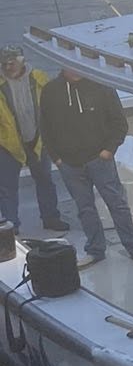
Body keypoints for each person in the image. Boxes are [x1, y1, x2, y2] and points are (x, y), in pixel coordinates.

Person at [40, 65, 133, 266]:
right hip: (69, 164)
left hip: (100, 160)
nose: (74, 68)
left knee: (117, 204)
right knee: (85, 209)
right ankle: (95, 250)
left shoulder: (103, 86)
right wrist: (56, 157)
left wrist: (108, 151)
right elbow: (45, 127)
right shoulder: (50, 91)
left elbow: (119, 123)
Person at [0, 46, 69, 234]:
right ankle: (11, 227)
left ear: (22, 60)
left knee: (45, 180)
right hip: (8, 145)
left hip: (38, 140)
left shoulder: (39, 77)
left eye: (12, 62)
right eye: (4, 63)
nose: (8, 66)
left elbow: (52, 106)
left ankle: (51, 218)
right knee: (7, 187)